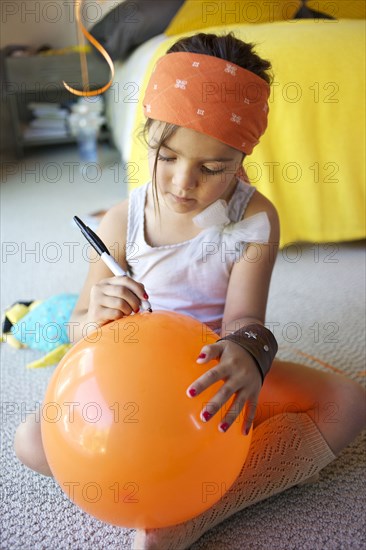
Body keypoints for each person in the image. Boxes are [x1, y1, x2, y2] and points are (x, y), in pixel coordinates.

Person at [14, 32, 365, 550]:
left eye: (211, 168)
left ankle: (199, 511)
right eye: (167, 155)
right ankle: (176, 476)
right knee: (30, 442)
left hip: (208, 378)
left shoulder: (253, 219)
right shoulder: (120, 221)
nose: (182, 182)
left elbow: (247, 321)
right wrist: (97, 317)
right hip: (129, 384)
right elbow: (80, 326)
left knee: (347, 404)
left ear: (242, 159)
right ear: (147, 135)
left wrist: (248, 354)